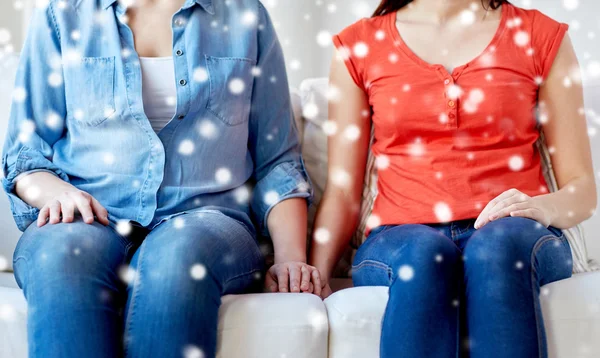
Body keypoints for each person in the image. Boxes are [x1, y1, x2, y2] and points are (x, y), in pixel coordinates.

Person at [1, 0, 320, 357]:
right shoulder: (62, 15)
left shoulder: (244, 14)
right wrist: (54, 191)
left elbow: (277, 160)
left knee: (177, 258)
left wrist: (290, 256)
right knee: (62, 258)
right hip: (88, 212)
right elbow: (25, 153)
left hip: (209, 219)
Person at [309, 0, 596, 357]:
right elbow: (342, 191)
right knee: (425, 255)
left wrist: (540, 208)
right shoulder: (358, 46)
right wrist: (314, 275)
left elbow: (582, 188)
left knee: (495, 250)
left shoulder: (541, 36)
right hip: (401, 237)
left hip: (514, 231)